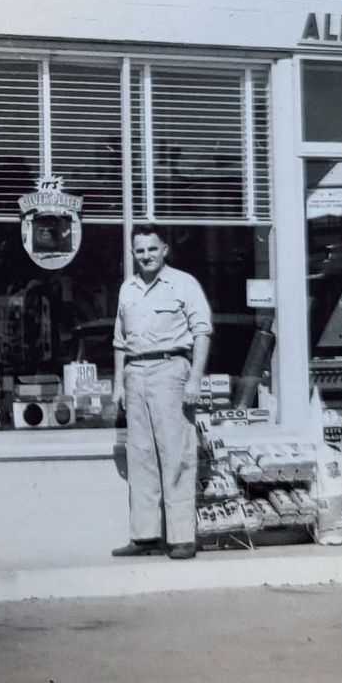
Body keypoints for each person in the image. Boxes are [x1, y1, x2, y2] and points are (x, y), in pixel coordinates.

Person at [110, 223, 212, 560]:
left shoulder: (184, 284)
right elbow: (120, 342)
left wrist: (195, 379)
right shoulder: (128, 289)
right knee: (140, 457)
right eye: (140, 250)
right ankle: (145, 536)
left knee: (176, 454)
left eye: (152, 249)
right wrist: (118, 384)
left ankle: (182, 537)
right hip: (135, 373)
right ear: (133, 252)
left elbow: (202, 332)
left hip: (171, 370)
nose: (146, 256)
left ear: (164, 249)